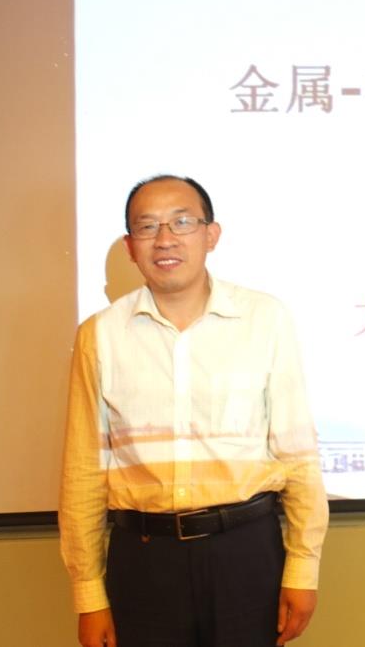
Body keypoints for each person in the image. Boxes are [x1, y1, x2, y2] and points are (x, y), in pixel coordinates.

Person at [59, 175, 328, 647]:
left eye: (182, 222)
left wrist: (303, 569)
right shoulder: (99, 335)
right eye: (148, 226)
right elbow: (83, 470)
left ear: (211, 235)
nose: (165, 239)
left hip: (246, 553)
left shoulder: (265, 319)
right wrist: (89, 595)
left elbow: (297, 454)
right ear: (130, 246)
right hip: (143, 560)